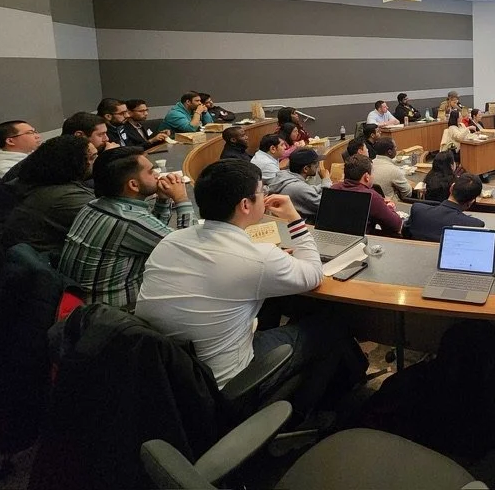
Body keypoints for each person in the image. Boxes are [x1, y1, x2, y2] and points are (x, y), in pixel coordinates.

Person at [136, 160, 364, 422]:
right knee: (331, 327)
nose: (264, 195)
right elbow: (314, 275)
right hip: (227, 387)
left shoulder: (170, 241)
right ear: (245, 205)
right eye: (261, 191)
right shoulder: (258, 257)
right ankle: (302, 416)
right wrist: (293, 219)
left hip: (175, 379)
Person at [57, 147, 192, 309]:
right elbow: (190, 250)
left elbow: (150, 232)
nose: (157, 175)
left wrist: (162, 200)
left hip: (83, 303)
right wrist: (181, 198)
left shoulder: (94, 205)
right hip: (116, 313)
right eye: (151, 172)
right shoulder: (129, 220)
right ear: (133, 185)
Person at [0, 136, 96, 256]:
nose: (97, 161)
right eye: (92, 157)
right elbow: (112, 224)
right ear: (72, 163)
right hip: (53, 261)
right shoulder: (66, 198)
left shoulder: (36, 181)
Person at [333, 154, 403, 237]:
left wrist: (380, 203)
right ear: (366, 176)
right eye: (372, 173)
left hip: (333, 239)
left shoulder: (333, 189)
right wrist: (389, 207)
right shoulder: (371, 196)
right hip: (361, 242)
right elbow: (396, 225)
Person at [404, 173, 484, 242]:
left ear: (451, 188)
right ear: (471, 202)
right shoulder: (474, 226)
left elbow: (405, 234)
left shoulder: (418, 210)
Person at [270, 147, 331, 221]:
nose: (318, 166)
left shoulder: (284, 177)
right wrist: (326, 179)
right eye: (315, 164)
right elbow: (325, 205)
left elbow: (309, 190)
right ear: (306, 169)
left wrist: (323, 184)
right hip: (302, 225)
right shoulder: (298, 187)